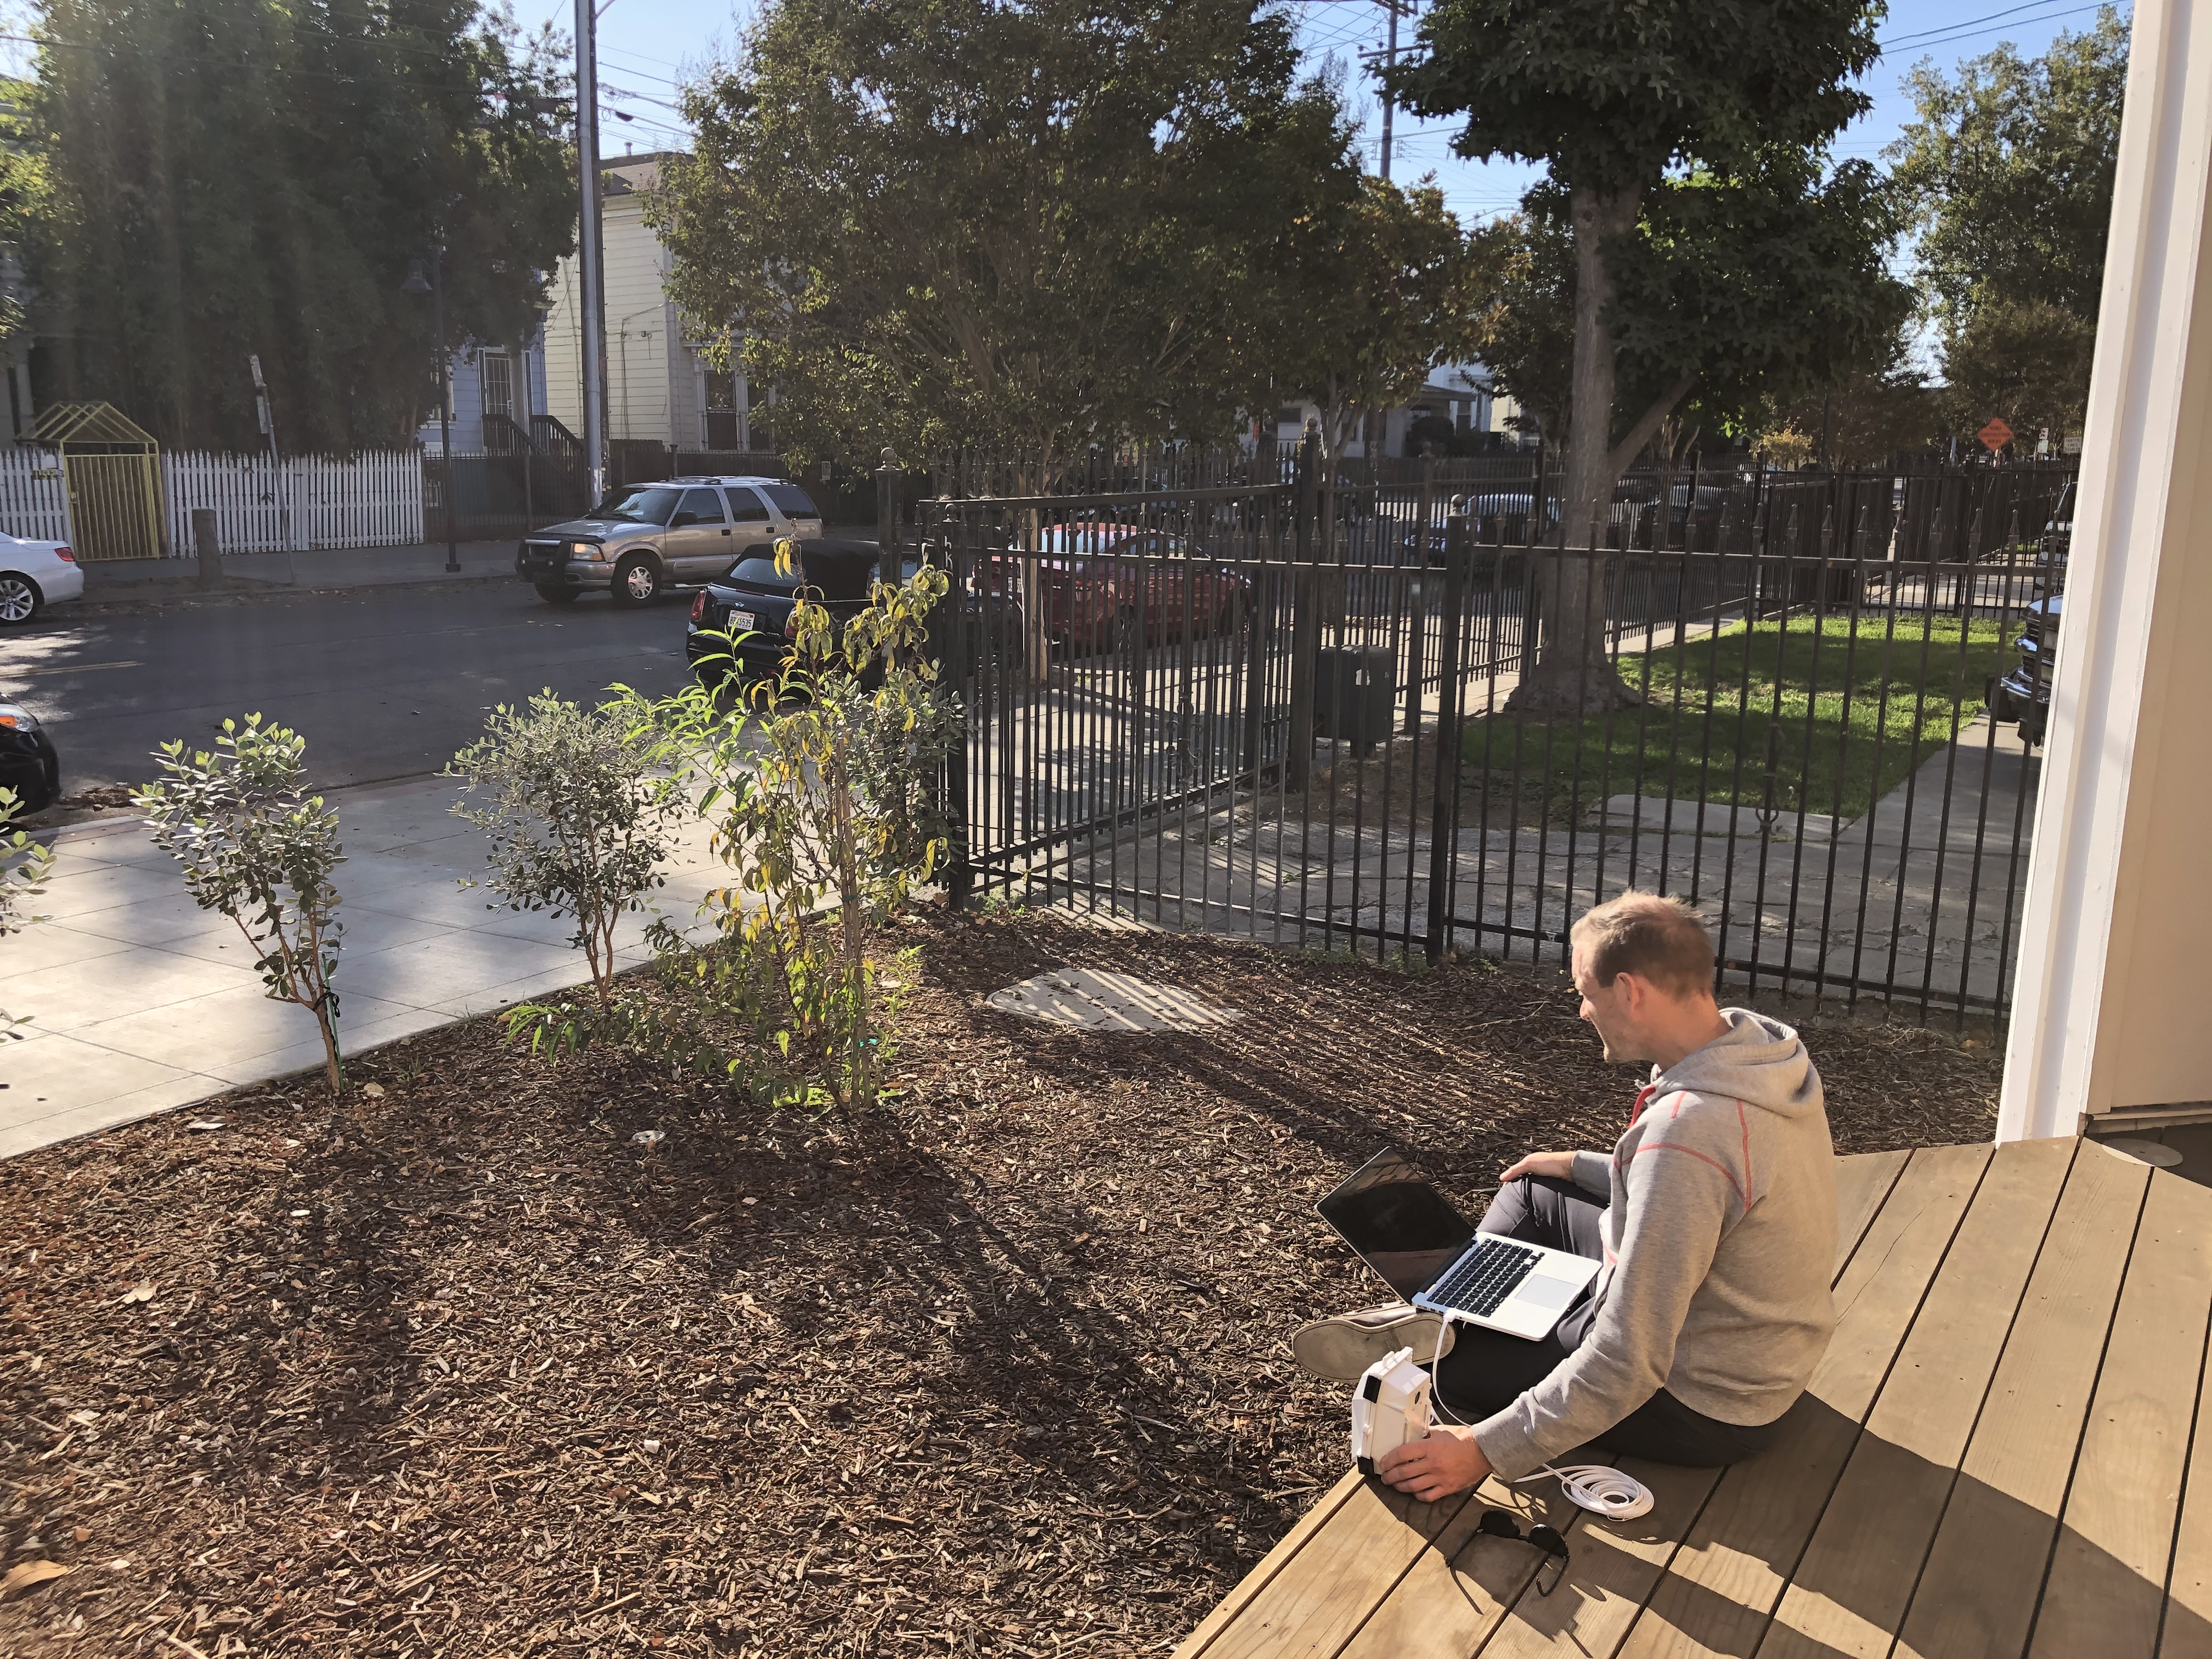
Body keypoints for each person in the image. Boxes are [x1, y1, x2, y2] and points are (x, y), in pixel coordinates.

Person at [1291, 891, 1838, 1502]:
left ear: (1630, 991)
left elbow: (1630, 1361)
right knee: (1535, 1188)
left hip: (1707, 1404)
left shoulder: (1688, 1138)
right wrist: (1583, 1166)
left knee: (1445, 1378)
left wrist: (1482, 1450)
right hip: (1758, 1348)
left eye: (1586, 991)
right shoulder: (1758, 1051)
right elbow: (1726, 1187)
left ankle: (1448, 1330)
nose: (1581, 1011)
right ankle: (1454, 1302)